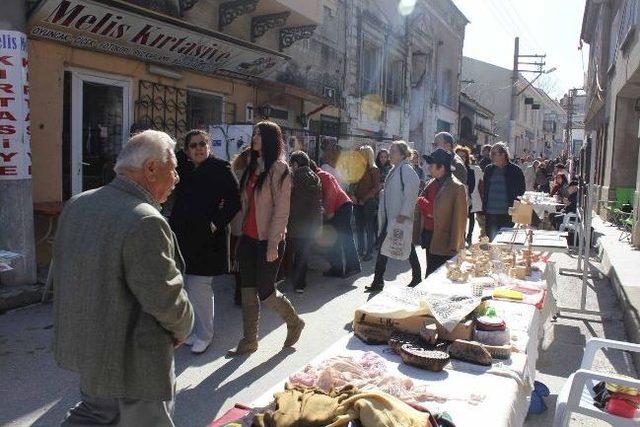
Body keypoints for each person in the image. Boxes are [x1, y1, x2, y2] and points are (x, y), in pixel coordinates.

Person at [50, 130, 194, 426]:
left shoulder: (78, 203)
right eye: (174, 168)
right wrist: (183, 328)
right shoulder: (145, 219)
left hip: (92, 349)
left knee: (95, 414)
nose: (177, 178)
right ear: (151, 169)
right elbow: (165, 298)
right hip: (136, 361)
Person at [228, 121, 304, 356]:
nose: (255, 137)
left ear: (271, 139)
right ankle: (249, 340)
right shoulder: (253, 165)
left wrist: (273, 243)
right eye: (254, 134)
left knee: (266, 292)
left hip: (268, 240)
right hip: (248, 238)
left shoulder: (279, 169)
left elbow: (282, 211)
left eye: (260, 134)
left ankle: (293, 321)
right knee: (247, 290)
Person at [169, 130, 241, 354]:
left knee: (199, 287)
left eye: (203, 144)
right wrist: (182, 151)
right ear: (187, 150)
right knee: (187, 287)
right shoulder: (183, 166)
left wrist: (215, 223)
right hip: (182, 236)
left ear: (209, 146)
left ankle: (205, 335)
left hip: (208, 238)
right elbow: (173, 156)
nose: (199, 148)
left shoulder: (220, 168)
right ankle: (193, 331)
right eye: (193, 145)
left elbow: (234, 201)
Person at [366, 141, 421, 291]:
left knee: (401, 247)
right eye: (390, 150)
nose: (390, 153)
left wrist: (404, 213)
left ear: (403, 154)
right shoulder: (395, 169)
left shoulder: (406, 170)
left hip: (398, 217)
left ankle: (380, 281)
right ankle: (379, 281)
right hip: (391, 217)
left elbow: (411, 192)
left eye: (394, 151)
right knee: (392, 247)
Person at [417, 149, 468, 276]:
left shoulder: (457, 187)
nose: (429, 168)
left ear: (442, 167)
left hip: (445, 241)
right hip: (429, 236)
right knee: (429, 272)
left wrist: (455, 245)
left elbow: (459, 220)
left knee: (439, 275)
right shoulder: (431, 182)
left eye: (432, 165)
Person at [312, 160, 362, 278]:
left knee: (345, 238)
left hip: (342, 207)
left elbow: (331, 194)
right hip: (338, 207)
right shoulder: (320, 176)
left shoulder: (322, 175)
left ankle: (353, 266)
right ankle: (337, 268)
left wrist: (329, 212)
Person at [288, 151, 323, 293]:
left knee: (294, 253)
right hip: (312, 223)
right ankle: (300, 284)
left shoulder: (294, 177)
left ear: (295, 164)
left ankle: (295, 282)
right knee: (304, 254)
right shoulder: (316, 177)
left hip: (296, 222)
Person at [483, 142, 526, 240]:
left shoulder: (515, 170)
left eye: (494, 153)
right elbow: (485, 189)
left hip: (507, 214)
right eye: (490, 154)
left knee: (505, 242)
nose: (491, 156)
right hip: (491, 213)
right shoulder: (488, 169)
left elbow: (521, 190)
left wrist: (515, 206)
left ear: (503, 155)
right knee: (492, 241)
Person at [230, 146, 252, 305]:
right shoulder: (251, 175)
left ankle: (239, 293)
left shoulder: (234, 172)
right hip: (248, 221)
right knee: (246, 260)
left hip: (237, 221)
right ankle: (243, 294)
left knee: (238, 258)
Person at [353, 145, 381, 261]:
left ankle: (369, 252)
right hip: (357, 201)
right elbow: (352, 183)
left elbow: (376, 187)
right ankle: (360, 250)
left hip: (369, 202)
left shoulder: (373, 169)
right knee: (359, 227)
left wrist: (365, 199)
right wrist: (353, 195)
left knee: (369, 227)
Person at [455, 145, 483, 245]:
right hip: (455, 198)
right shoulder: (452, 169)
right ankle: (461, 236)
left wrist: (467, 196)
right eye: (459, 156)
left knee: (471, 217)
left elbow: (472, 185)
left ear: (467, 158)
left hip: (467, 197)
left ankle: (469, 236)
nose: (461, 158)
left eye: (464, 156)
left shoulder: (470, 170)